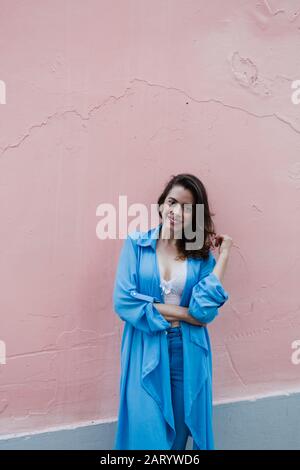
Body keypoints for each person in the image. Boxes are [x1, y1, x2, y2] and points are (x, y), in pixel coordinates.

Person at [113, 173, 232, 450]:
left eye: (187, 207)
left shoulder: (201, 257)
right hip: (144, 350)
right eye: (171, 202)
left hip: (186, 352)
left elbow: (203, 312)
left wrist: (224, 256)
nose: (176, 211)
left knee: (179, 436)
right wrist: (183, 313)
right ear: (161, 205)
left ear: (195, 216)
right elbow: (124, 302)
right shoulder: (137, 245)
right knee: (147, 434)